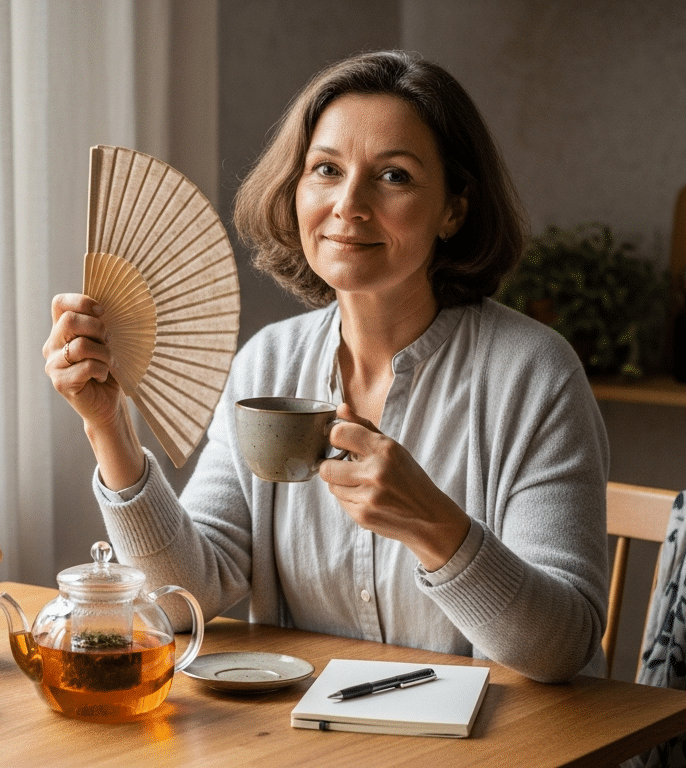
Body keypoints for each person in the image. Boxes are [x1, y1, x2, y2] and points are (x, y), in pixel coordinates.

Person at [44, 50, 609, 683]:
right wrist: (108, 428)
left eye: (393, 176)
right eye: (326, 169)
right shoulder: (269, 364)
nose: (349, 203)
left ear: (454, 208)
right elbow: (186, 598)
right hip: (312, 740)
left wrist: (437, 527)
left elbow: (565, 647)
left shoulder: (533, 374)